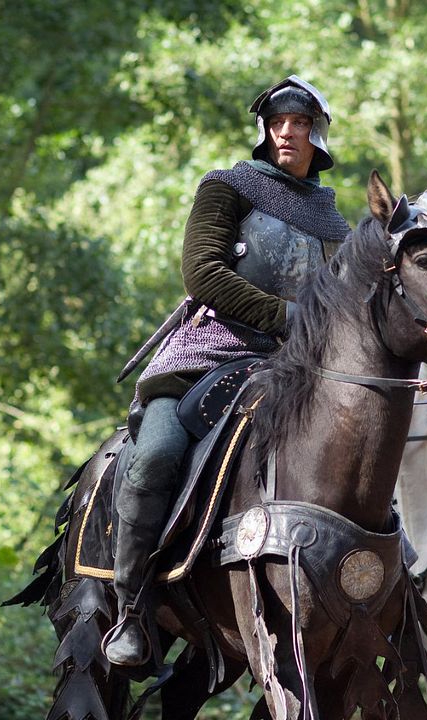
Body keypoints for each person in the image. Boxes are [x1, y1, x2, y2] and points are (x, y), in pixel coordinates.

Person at [104, 76, 350, 667]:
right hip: (208, 356)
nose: (287, 133)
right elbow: (204, 274)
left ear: (317, 134)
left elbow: (352, 301)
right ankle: (129, 606)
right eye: (278, 123)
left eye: (299, 123)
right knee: (157, 454)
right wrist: (289, 316)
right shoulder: (227, 187)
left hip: (297, 369)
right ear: (264, 130)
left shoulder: (334, 222)